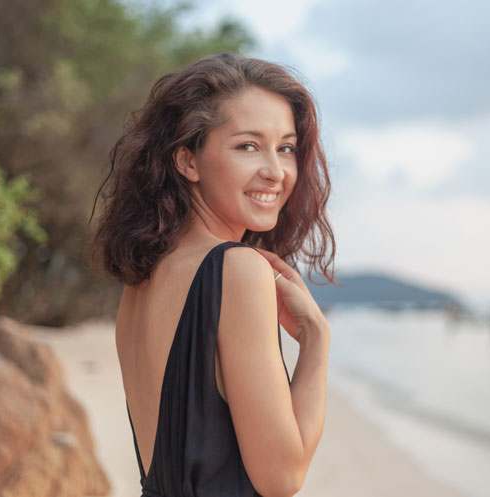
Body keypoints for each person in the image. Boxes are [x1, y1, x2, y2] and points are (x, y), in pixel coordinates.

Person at [90, 52, 336, 497]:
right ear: (188, 161)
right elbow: (282, 477)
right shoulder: (236, 270)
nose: (275, 171)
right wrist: (316, 337)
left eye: (285, 147)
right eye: (247, 146)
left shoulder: (142, 279)